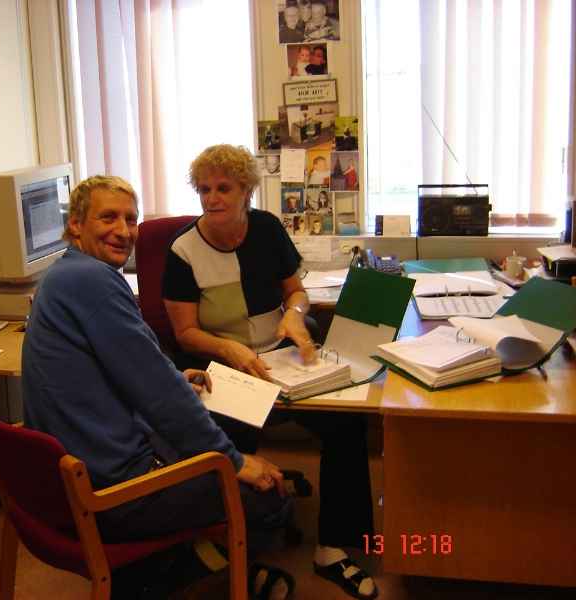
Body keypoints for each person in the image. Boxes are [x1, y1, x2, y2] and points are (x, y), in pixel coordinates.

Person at [22, 175, 296, 600]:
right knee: (271, 497)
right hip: (113, 491)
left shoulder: (65, 275)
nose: (124, 231)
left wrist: (173, 378)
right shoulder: (93, 281)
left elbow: (125, 368)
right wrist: (233, 461)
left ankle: (163, 563)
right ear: (75, 224)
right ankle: (152, 581)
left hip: (76, 472)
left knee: (205, 430)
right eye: (108, 218)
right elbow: (158, 394)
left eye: (131, 219)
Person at [162, 145, 378, 599]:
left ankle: (333, 548)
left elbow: (296, 293)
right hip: (224, 367)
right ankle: (233, 545)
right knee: (224, 445)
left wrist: (295, 316)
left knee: (345, 424)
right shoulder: (183, 250)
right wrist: (228, 348)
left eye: (224, 188)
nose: (212, 198)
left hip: (279, 356)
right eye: (204, 189)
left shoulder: (267, 229)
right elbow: (185, 333)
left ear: (247, 191)